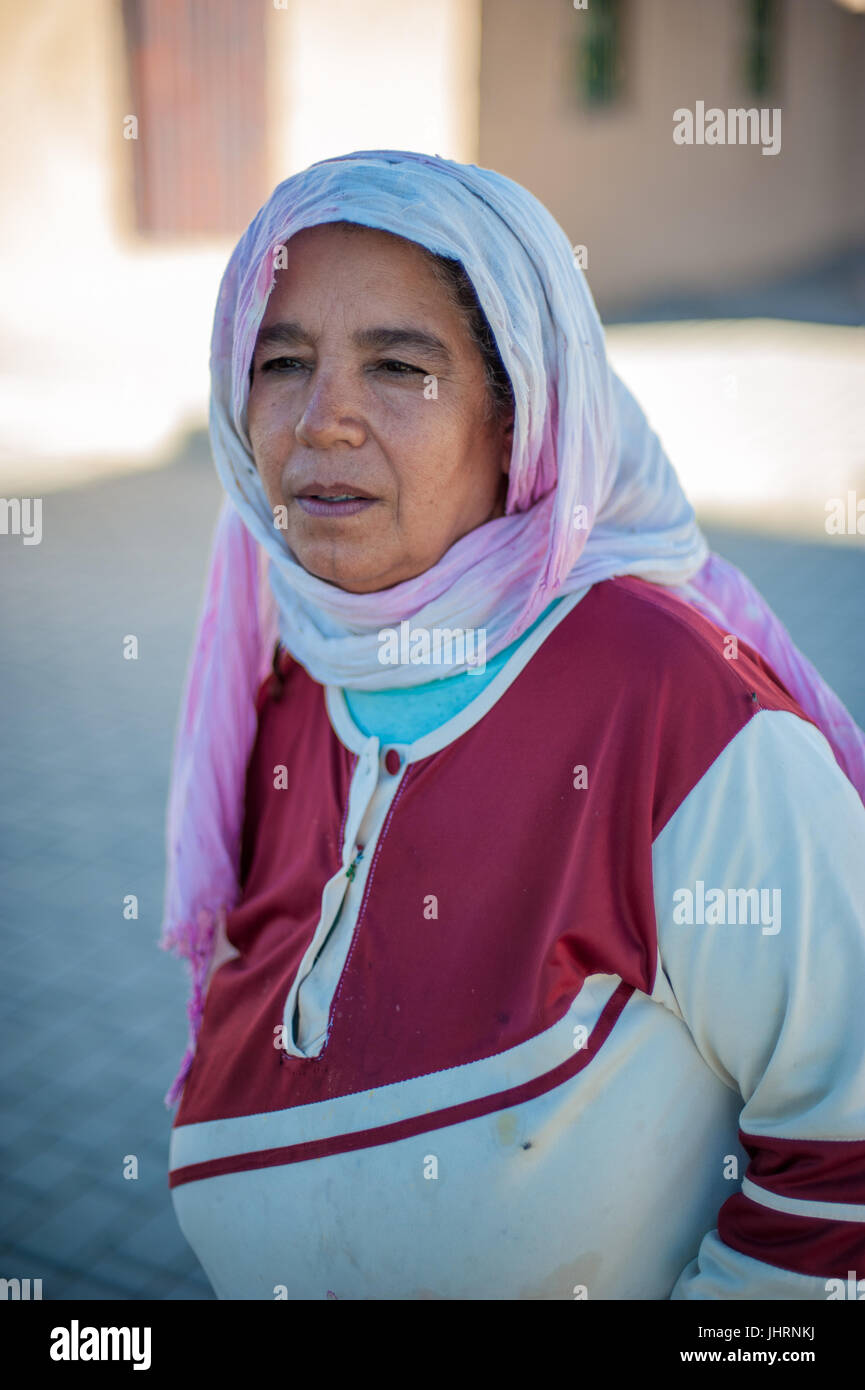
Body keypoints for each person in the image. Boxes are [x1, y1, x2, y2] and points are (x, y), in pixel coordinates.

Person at [161, 149, 865, 1300]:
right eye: (280, 361)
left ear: (518, 414)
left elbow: (847, 1148)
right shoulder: (283, 683)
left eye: (398, 365)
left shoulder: (669, 704)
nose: (321, 419)